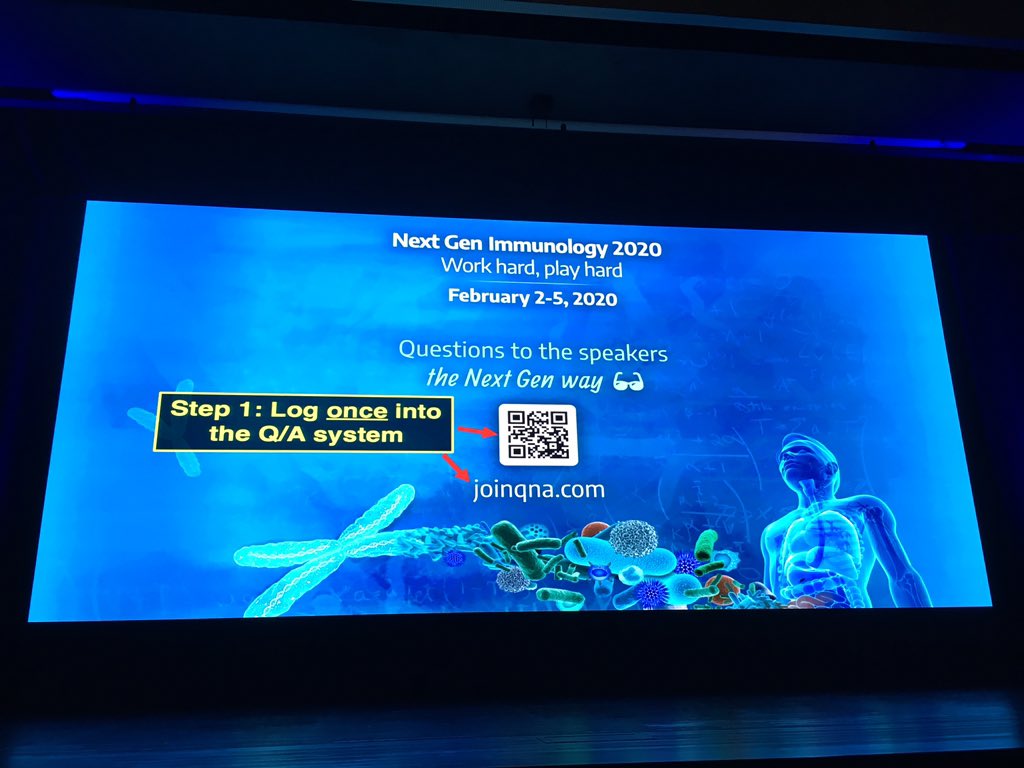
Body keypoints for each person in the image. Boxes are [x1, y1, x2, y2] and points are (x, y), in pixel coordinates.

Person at [760, 433, 931, 608]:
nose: (787, 456)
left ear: (830, 468)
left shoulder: (861, 507)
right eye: (783, 456)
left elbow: (901, 575)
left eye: (801, 450)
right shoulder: (773, 531)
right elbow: (771, 599)